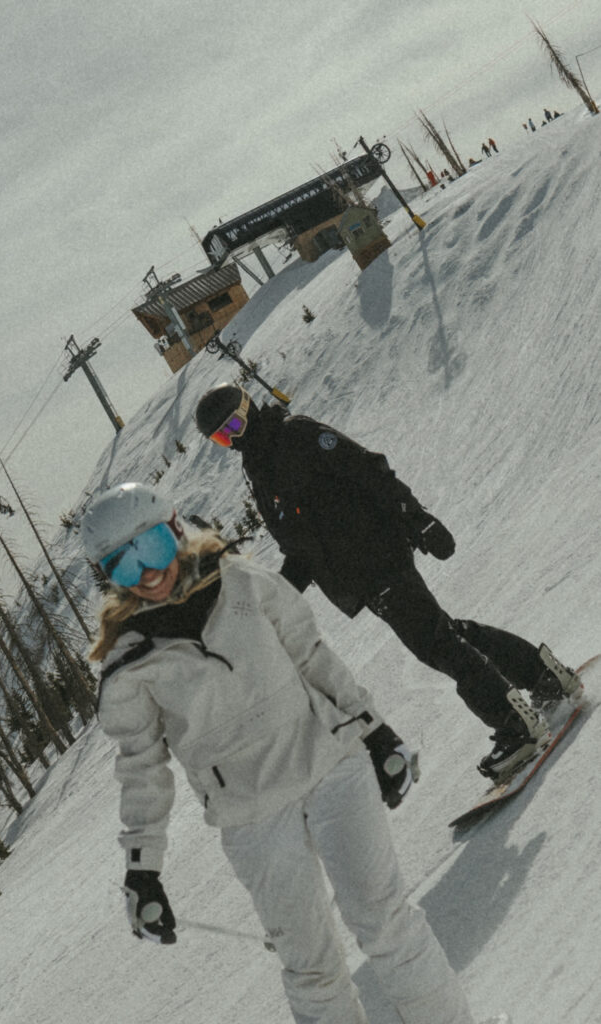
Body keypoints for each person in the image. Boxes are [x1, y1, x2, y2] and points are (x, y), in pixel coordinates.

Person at [80, 482, 480, 1024]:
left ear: (174, 530)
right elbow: (141, 770)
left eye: (150, 547)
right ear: (110, 577)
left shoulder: (243, 582)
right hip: (253, 819)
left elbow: (312, 657)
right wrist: (142, 871)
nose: (147, 573)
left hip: (330, 766)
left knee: (385, 923)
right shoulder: (129, 667)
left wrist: (376, 733)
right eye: (124, 566)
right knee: (309, 968)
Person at [194, 385, 582, 781]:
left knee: (435, 642)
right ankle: (542, 676)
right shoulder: (261, 473)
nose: (235, 438)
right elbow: (303, 548)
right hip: (357, 577)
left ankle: (516, 726)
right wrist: (277, 598)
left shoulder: (295, 436)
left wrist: (417, 516)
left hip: (378, 554)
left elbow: (369, 468)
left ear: (249, 407)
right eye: (223, 435)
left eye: (237, 423)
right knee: (443, 632)